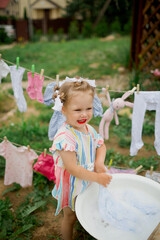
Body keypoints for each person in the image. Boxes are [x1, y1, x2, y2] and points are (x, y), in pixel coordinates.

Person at [50, 77, 112, 240]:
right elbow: (73, 169)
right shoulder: (65, 138)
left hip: (89, 177)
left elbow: (101, 145)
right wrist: (98, 177)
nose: (84, 114)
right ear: (63, 109)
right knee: (70, 216)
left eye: (89, 108)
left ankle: (91, 224)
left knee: (89, 205)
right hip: (71, 183)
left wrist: (99, 163)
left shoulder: (88, 129)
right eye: (77, 110)